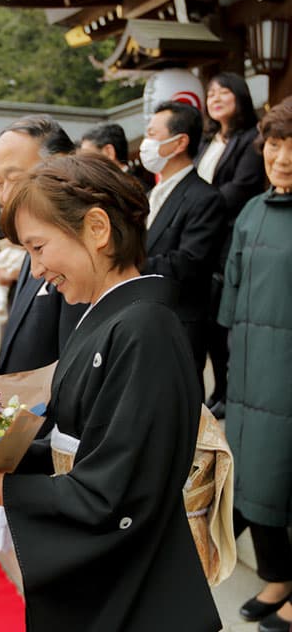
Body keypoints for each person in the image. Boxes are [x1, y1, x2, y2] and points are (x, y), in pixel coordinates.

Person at [0, 153, 222, 632]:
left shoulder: (144, 329)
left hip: (133, 593)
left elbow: (117, 491)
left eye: (39, 247)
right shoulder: (111, 319)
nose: (36, 269)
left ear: (96, 228)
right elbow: (84, 452)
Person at [217, 96, 292, 632]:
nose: (282, 157)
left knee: (279, 483)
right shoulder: (251, 210)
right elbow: (232, 296)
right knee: (253, 482)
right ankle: (278, 577)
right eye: (274, 144)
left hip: (286, 374)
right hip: (248, 374)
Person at [0, 115, 86, 375]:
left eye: (16, 179)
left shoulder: (81, 254)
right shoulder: (29, 248)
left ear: (62, 166)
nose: (5, 196)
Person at [140, 101, 226, 382]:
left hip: (178, 328)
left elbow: (188, 263)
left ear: (179, 143)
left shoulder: (204, 198)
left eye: (153, 134)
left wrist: (125, 263)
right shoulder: (153, 193)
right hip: (146, 319)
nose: (146, 143)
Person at [196, 72, 265, 417]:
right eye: (210, 94)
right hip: (205, 237)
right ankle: (219, 390)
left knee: (224, 321)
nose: (216, 98)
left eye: (224, 92)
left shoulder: (252, 139)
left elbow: (241, 187)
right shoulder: (209, 141)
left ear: (240, 97)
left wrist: (197, 207)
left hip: (228, 237)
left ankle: (228, 391)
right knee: (207, 322)